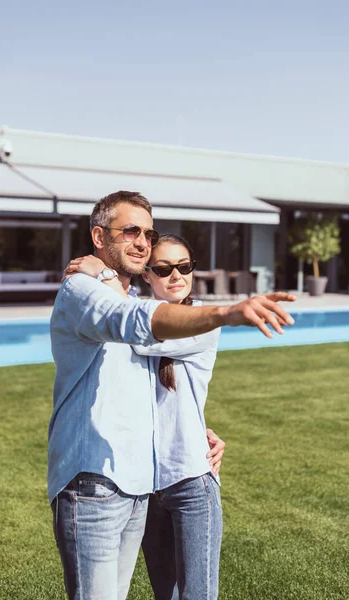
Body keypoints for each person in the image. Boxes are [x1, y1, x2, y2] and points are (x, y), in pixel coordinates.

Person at [50, 190, 295, 600]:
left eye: (148, 233)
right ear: (98, 236)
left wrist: (201, 429)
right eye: (130, 231)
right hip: (93, 481)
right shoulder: (83, 290)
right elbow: (131, 322)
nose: (142, 242)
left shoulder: (127, 297)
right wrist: (227, 312)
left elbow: (143, 375)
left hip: (138, 485)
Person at [72, 233, 223, 599]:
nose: (176, 276)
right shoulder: (129, 307)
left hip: (191, 481)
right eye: (164, 268)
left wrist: (105, 276)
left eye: (184, 267)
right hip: (145, 485)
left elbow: (142, 334)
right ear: (147, 276)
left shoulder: (201, 320)